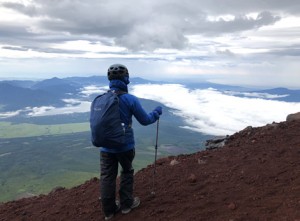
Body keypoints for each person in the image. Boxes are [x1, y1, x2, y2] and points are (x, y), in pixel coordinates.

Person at [99, 64, 162, 220]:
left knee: (107, 177)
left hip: (106, 147)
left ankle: (109, 211)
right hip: (125, 145)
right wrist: (156, 113)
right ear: (126, 79)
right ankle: (127, 205)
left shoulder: (102, 99)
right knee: (126, 172)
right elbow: (145, 120)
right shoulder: (129, 99)